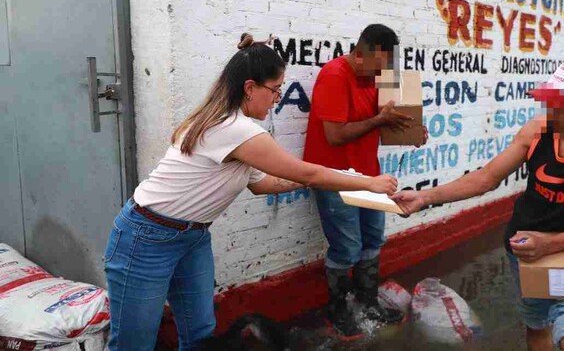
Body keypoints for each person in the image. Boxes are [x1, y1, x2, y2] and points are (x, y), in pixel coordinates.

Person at [103, 35, 398, 351]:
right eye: (274, 90)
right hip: (147, 236)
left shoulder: (237, 128)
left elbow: (263, 185)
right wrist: (368, 183)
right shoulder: (235, 129)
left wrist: (319, 181)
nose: (276, 99)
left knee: (201, 333)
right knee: (132, 344)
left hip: (192, 238)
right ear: (249, 88)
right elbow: (308, 171)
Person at [391, 59, 564, 351]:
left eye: (561, 108)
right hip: (525, 250)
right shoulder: (537, 131)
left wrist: (551, 244)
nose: (550, 113)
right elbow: (486, 179)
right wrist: (425, 197)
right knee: (537, 326)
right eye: (550, 103)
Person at [303, 24, 423, 338]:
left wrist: (412, 132)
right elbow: (335, 135)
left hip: (369, 176)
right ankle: (339, 309)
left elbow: (385, 123)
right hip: (335, 177)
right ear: (359, 54)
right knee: (347, 249)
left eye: (386, 66)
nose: (382, 73)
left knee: (372, 240)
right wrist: (379, 120)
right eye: (377, 65)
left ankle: (368, 303)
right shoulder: (334, 75)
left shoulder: (377, 79)